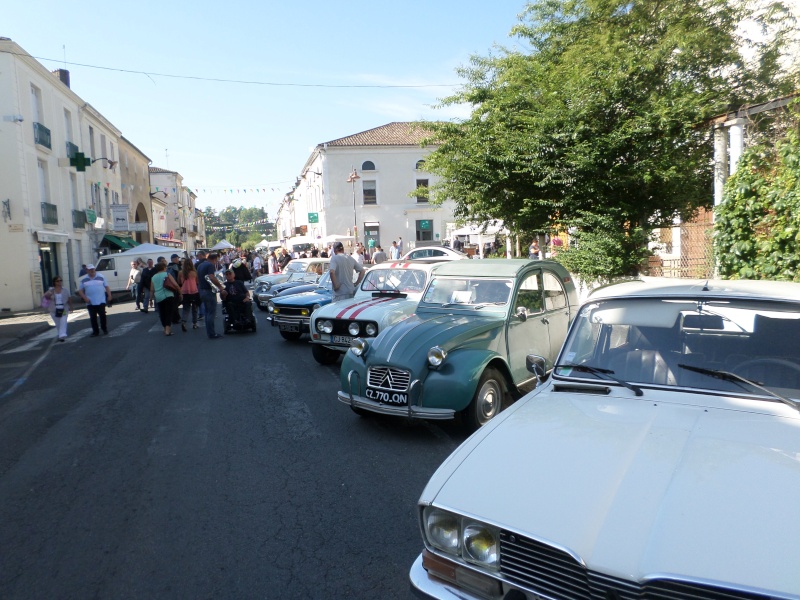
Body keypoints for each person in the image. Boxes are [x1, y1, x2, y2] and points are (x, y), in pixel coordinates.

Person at [78, 264, 112, 337]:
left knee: (102, 315)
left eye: (93, 269)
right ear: (87, 270)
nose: (92, 271)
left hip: (101, 300)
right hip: (90, 302)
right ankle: (95, 331)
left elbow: (106, 286)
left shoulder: (101, 277)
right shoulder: (84, 280)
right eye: (90, 270)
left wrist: (109, 295)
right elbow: (80, 290)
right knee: (93, 317)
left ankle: (104, 328)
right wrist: (85, 298)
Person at [197, 252, 224, 339]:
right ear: (214, 259)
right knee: (211, 313)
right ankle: (212, 333)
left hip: (202, 290)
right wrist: (220, 286)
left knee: (207, 313)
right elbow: (211, 277)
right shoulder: (210, 265)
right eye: (216, 261)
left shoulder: (200, 265)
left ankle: (210, 332)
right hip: (208, 291)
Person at [150, 262, 180, 336]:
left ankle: (165, 328)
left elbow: (151, 289)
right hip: (168, 295)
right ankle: (167, 329)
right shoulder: (167, 274)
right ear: (164, 268)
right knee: (169, 313)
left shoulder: (153, 277)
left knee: (162, 313)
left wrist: (150, 299)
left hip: (159, 297)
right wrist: (180, 292)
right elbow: (175, 284)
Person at [43, 275, 74, 342]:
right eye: (57, 281)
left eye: (60, 280)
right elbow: (45, 297)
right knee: (58, 323)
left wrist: (71, 307)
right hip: (54, 309)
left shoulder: (65, 290)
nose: (59, 282)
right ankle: (60, 334)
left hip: (63, 308)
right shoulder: (51, 290)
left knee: (63, 321)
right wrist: (49, 294)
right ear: (54, 282)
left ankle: (62, 335)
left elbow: (69, 298)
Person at [179, 258, 201, 331]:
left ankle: (184, 321)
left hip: (184, 292)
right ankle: (194, 323)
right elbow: (197, 282)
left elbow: (179, 282)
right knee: (195, 308)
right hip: (194, 291)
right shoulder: (194, 272)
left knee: (186, 308)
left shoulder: (181, 272)